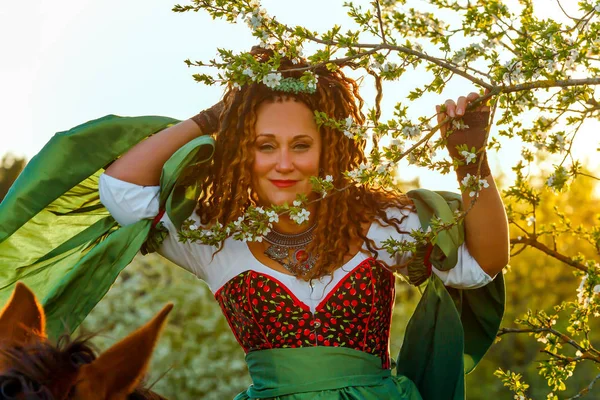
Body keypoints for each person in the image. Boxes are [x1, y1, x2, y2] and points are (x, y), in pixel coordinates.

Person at [96, 47, 509, 399]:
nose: (284, 163)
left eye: (301, 145)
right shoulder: (216, 237)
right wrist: (214, 117)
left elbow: (479, 267)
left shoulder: (382, 223)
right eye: (265, 145)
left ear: (330, 149)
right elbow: (122, 191)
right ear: (242, 150)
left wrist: (470, 159)